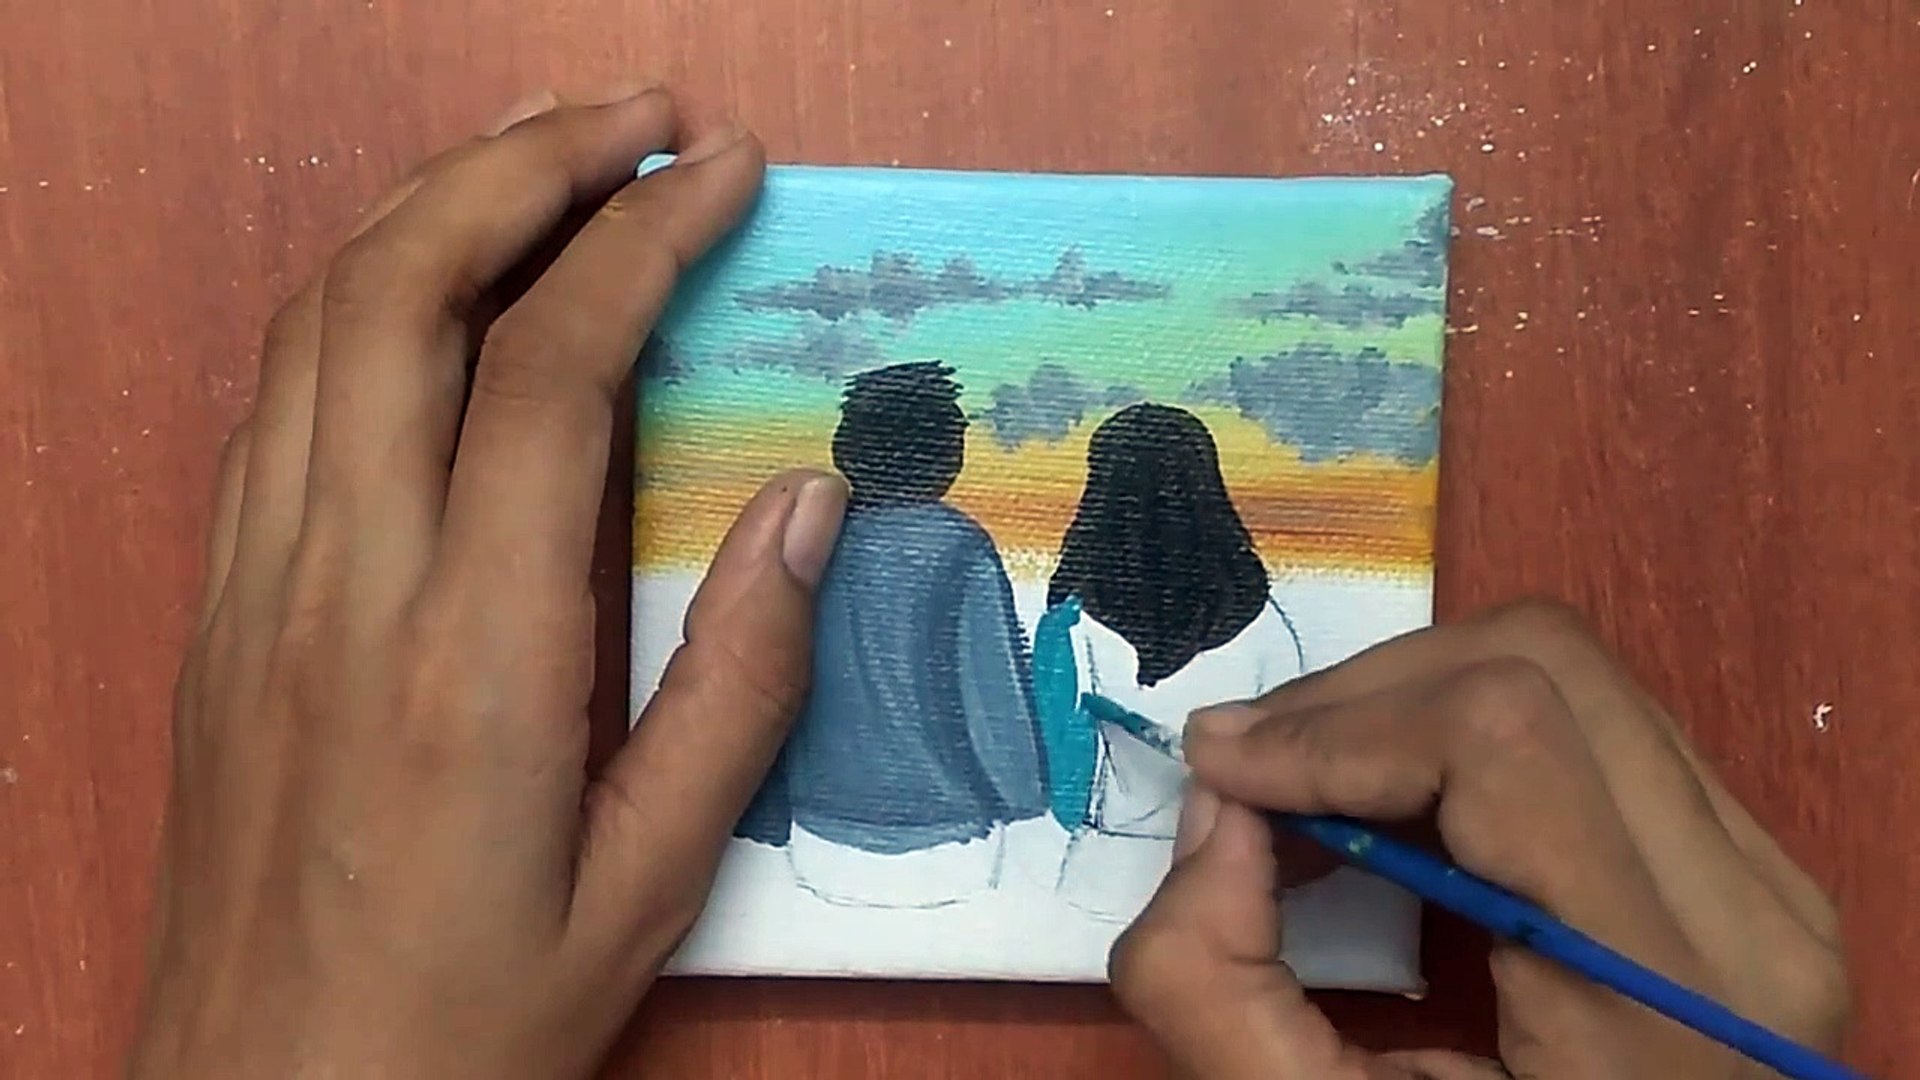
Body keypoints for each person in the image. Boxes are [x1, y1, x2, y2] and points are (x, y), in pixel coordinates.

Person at [129, 86, 1848, 1079]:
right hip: (1031, 869)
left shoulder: (1022, 592)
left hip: (903, 862)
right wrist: (1039, 808)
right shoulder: (1061, 576)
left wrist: (777, 832)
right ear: (943, 451)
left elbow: (999, 723)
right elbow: (1012, 730)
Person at [733, 360, 1049, 907]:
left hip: (819, 837)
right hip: (949, 846)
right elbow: (992, 696)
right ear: (943, 453)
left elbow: (772, 680)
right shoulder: (961, 548)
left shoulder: (816, 541)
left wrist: (765, 812)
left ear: (850, 446)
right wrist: (1025, 796)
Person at [1035, 403, 1306, 919]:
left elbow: (1062, 780)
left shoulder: (1068, 625)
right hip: (1231, 866)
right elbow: (1288, 753)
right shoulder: (1266, 621)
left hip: (1102, 876)